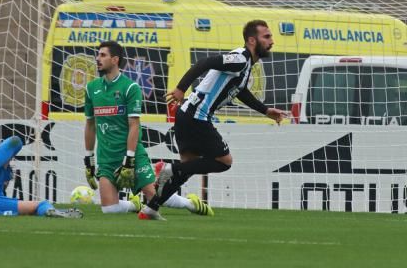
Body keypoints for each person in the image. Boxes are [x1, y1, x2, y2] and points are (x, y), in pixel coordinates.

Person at [138, 20, 287, 220]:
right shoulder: (240, 59)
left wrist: (265, 110)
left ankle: (151, 208)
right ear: (252, 40)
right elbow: (204, 63)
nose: (272, 41)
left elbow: (239, 91)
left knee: (188, 167)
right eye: (266, 37)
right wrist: (181, 88)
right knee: (224, 162)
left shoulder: (246, 63)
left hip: (187, 115)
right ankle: (168, 169)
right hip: (196, 117)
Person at [84, 40, 211, 215]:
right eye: (97, 55)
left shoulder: (130, 87)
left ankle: (191, 203)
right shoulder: (91, 88)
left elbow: (134, 125)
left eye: (102, 55)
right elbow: (90, 125)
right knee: (109, 210)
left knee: (155, 199)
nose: (97, 59)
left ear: (115, 59)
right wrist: (88, 160)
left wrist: (129, 160)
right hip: (106, 156)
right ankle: (133, 205)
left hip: (132, 154)